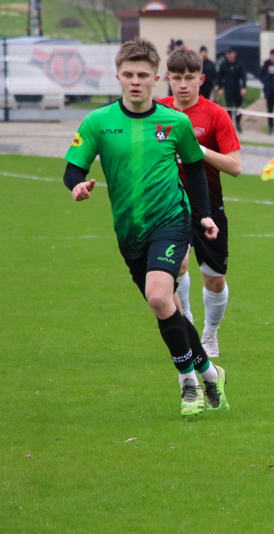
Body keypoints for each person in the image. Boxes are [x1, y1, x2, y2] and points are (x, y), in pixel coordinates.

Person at [62, 37, 229, 417]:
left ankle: (188, 383)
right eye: (128, 75)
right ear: (117, 77)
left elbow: (194, 170)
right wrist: (78, 186)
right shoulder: (98, 123)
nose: (135, 81)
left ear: (156, 79)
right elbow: (73, 168)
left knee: (159, 296)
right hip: (129, 231)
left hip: (171, 222)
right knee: (165, 306)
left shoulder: (175, 122)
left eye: (142, 75)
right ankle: (209, 370)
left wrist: (202, 214)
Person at [158, 49, 242, 359]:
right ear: (167, 79)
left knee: (214, 279)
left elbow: (235, 167)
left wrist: (197, 149)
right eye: (176, 78)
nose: (182, 85)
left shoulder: (216, 115)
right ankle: (188, 325)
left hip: (209, 206)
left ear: (201, 79)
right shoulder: (158, 111)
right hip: (169, 206)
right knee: (176, 267)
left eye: (189, 78)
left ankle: (210, 333)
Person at [216, 48, 247, 132]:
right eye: (228, 56)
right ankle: (229, 124)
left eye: (231, 56)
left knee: (238, 108)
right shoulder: (223, 65)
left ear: (234, 55)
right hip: (228, 89)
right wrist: (220, 88)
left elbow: (243, 77)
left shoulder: (239, 64)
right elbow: (220, 77)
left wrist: (243, 87)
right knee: (229, 107)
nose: (230, 58)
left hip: (237, 89)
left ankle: (238, 124)